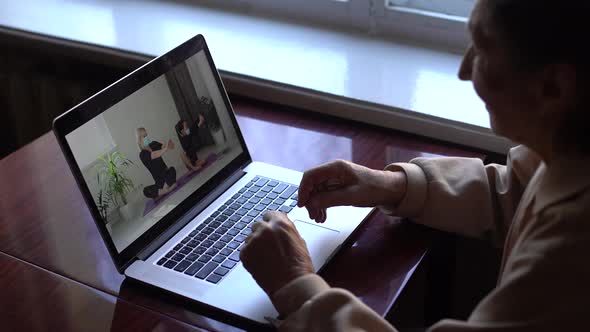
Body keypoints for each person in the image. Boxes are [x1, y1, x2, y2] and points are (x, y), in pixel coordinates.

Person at [240, 0, 590, 330]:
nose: (464, 70)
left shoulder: (571, 249)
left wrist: (297, 286)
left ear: (553, 88)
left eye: (482, 51)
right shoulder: (568, 148)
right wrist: (394, 185)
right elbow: (515, 192)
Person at [136, 127, 177, 199]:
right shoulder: (142, 154)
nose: (146, 138)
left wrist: (169, 145)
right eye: (144, 136)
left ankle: (162, 191)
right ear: (139, 140)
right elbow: (154, 154)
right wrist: (165, 148)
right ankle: (167, 189)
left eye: (146, 135)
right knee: (146, 191)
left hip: (166, 174)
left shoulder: (154, 144)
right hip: (159, 182)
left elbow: (165, 146)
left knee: (172, 169)